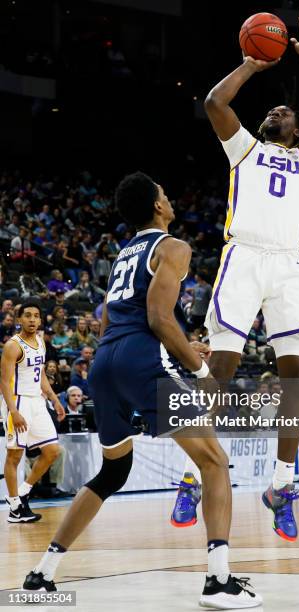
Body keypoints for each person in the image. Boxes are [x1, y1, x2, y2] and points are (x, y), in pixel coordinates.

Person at [23, 171, 261, 609]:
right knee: (214, 462)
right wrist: (201, 366)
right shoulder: (173, 247)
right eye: (166, 195)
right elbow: (157, 317)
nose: (170, 200)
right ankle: (219, 581)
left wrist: (169, 349)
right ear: (157, 206)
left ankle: (42, 574)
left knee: (112, 472)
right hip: (139, 360)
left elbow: (115, 318)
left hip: (105, 363)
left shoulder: (123, 256)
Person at [172, 7, 299, 541]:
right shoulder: (244, 149)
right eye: (274, 109)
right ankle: (190, 475)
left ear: (298, 128)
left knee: (297, 375)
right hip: (243, 256)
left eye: (286, 111)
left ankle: (280, 484)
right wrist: (249, 64)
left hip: (289, 265)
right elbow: (215, 102)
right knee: (220, 367)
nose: (278, 111)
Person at [0, 302, 65, 523]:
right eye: (27, 316)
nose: (32, 320)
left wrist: (54, 399)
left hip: (37, 402)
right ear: (19, 319)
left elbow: (42, 375)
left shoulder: (39, 341)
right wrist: (13, 411)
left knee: (53, 451)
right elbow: (4, 382)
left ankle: (24, 491)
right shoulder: (12, 346)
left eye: (36, 316)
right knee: (15, 455)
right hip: (17, 401)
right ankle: (14, 506)